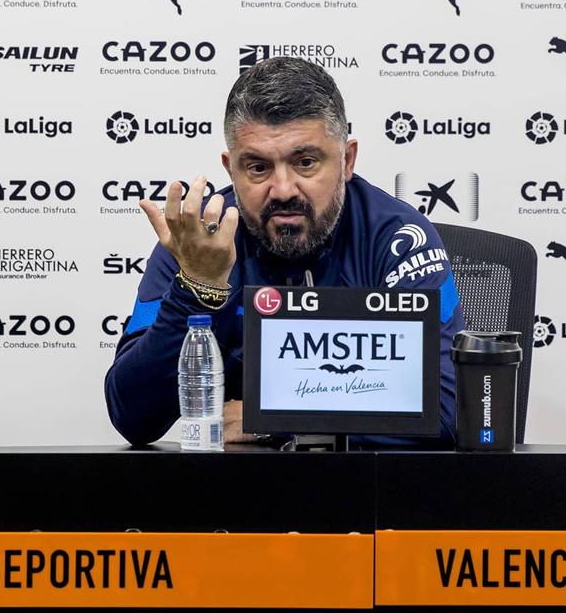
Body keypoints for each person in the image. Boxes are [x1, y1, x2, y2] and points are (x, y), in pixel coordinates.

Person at [104, 57, 463, 447]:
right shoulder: (201, 243)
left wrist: (270, 418)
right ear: (231, 169)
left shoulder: (397, 238)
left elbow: (447, 412)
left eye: (305, 162)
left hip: (367, 495)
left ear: (347, 160)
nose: (283, 189)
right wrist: (198, 287)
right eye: (257, 168)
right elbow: (133, 417)